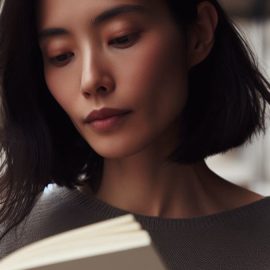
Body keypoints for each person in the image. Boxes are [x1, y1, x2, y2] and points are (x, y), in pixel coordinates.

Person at [0, 0, 270, 268]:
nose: (91, 80)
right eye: (61, 56)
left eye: (121, 38)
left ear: (198, 34)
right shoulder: (16, 243)